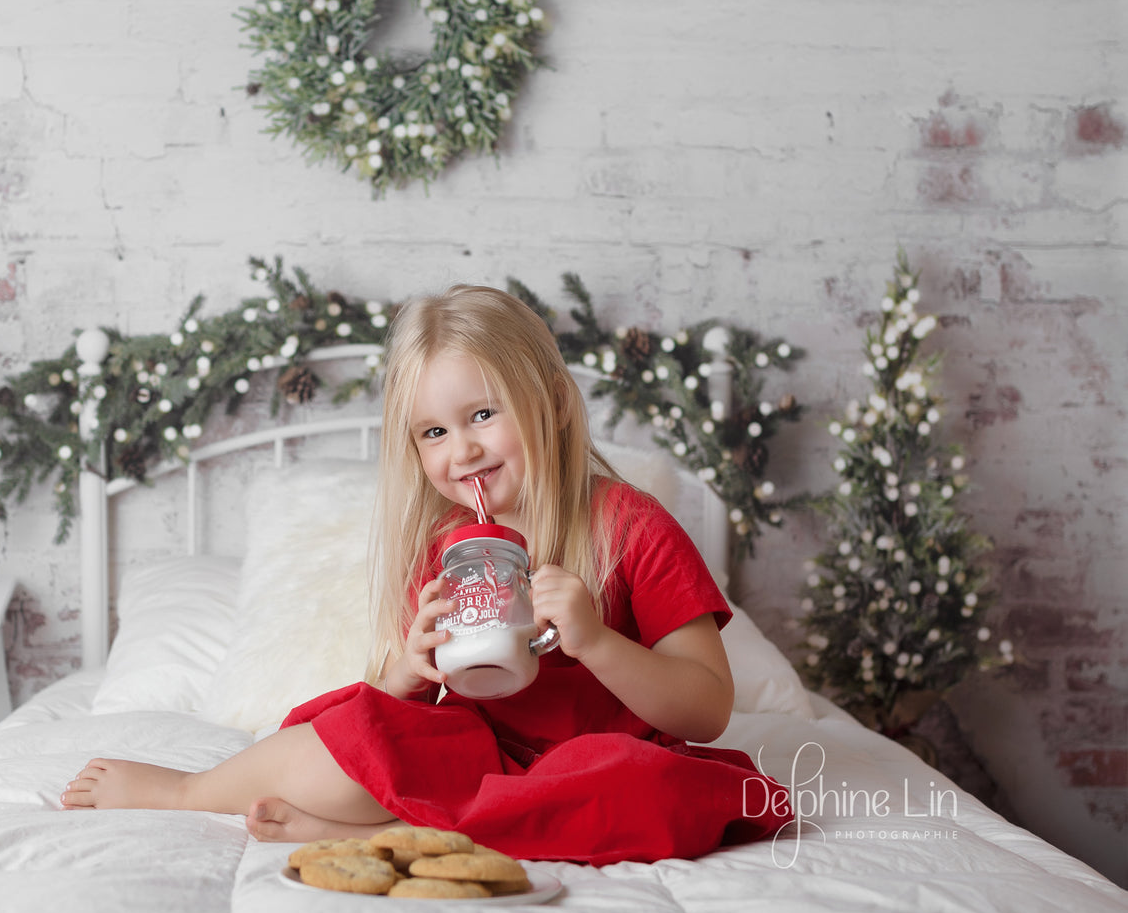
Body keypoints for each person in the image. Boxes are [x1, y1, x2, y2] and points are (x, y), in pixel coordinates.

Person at [60, 285, 792, 865]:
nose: (462, 450)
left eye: (481, 414)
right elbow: (395, 708)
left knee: (653, 792)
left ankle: (382, 831)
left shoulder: (630, 526)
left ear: (553, 404)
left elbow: (706, 708)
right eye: (433, 432)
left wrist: (597, 641)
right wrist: (409, 669)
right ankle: (188, 788)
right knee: (359, 729)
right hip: (476, 754)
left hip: (596, 760)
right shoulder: (450, 545)